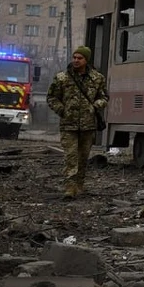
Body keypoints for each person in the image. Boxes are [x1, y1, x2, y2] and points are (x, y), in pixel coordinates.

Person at [47, 46, 109, 199]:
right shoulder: (62, 78)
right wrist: (62, 110)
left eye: (79, 58)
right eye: (74, 57)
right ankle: (69, 187)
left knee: (83, 157)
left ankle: (79, 185)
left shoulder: (97, 78)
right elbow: (51, 98)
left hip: (88, 125)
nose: (75, 60)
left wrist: (95, 106)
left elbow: (104, 97)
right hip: (68, 125)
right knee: (71, 156)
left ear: (86, 60)